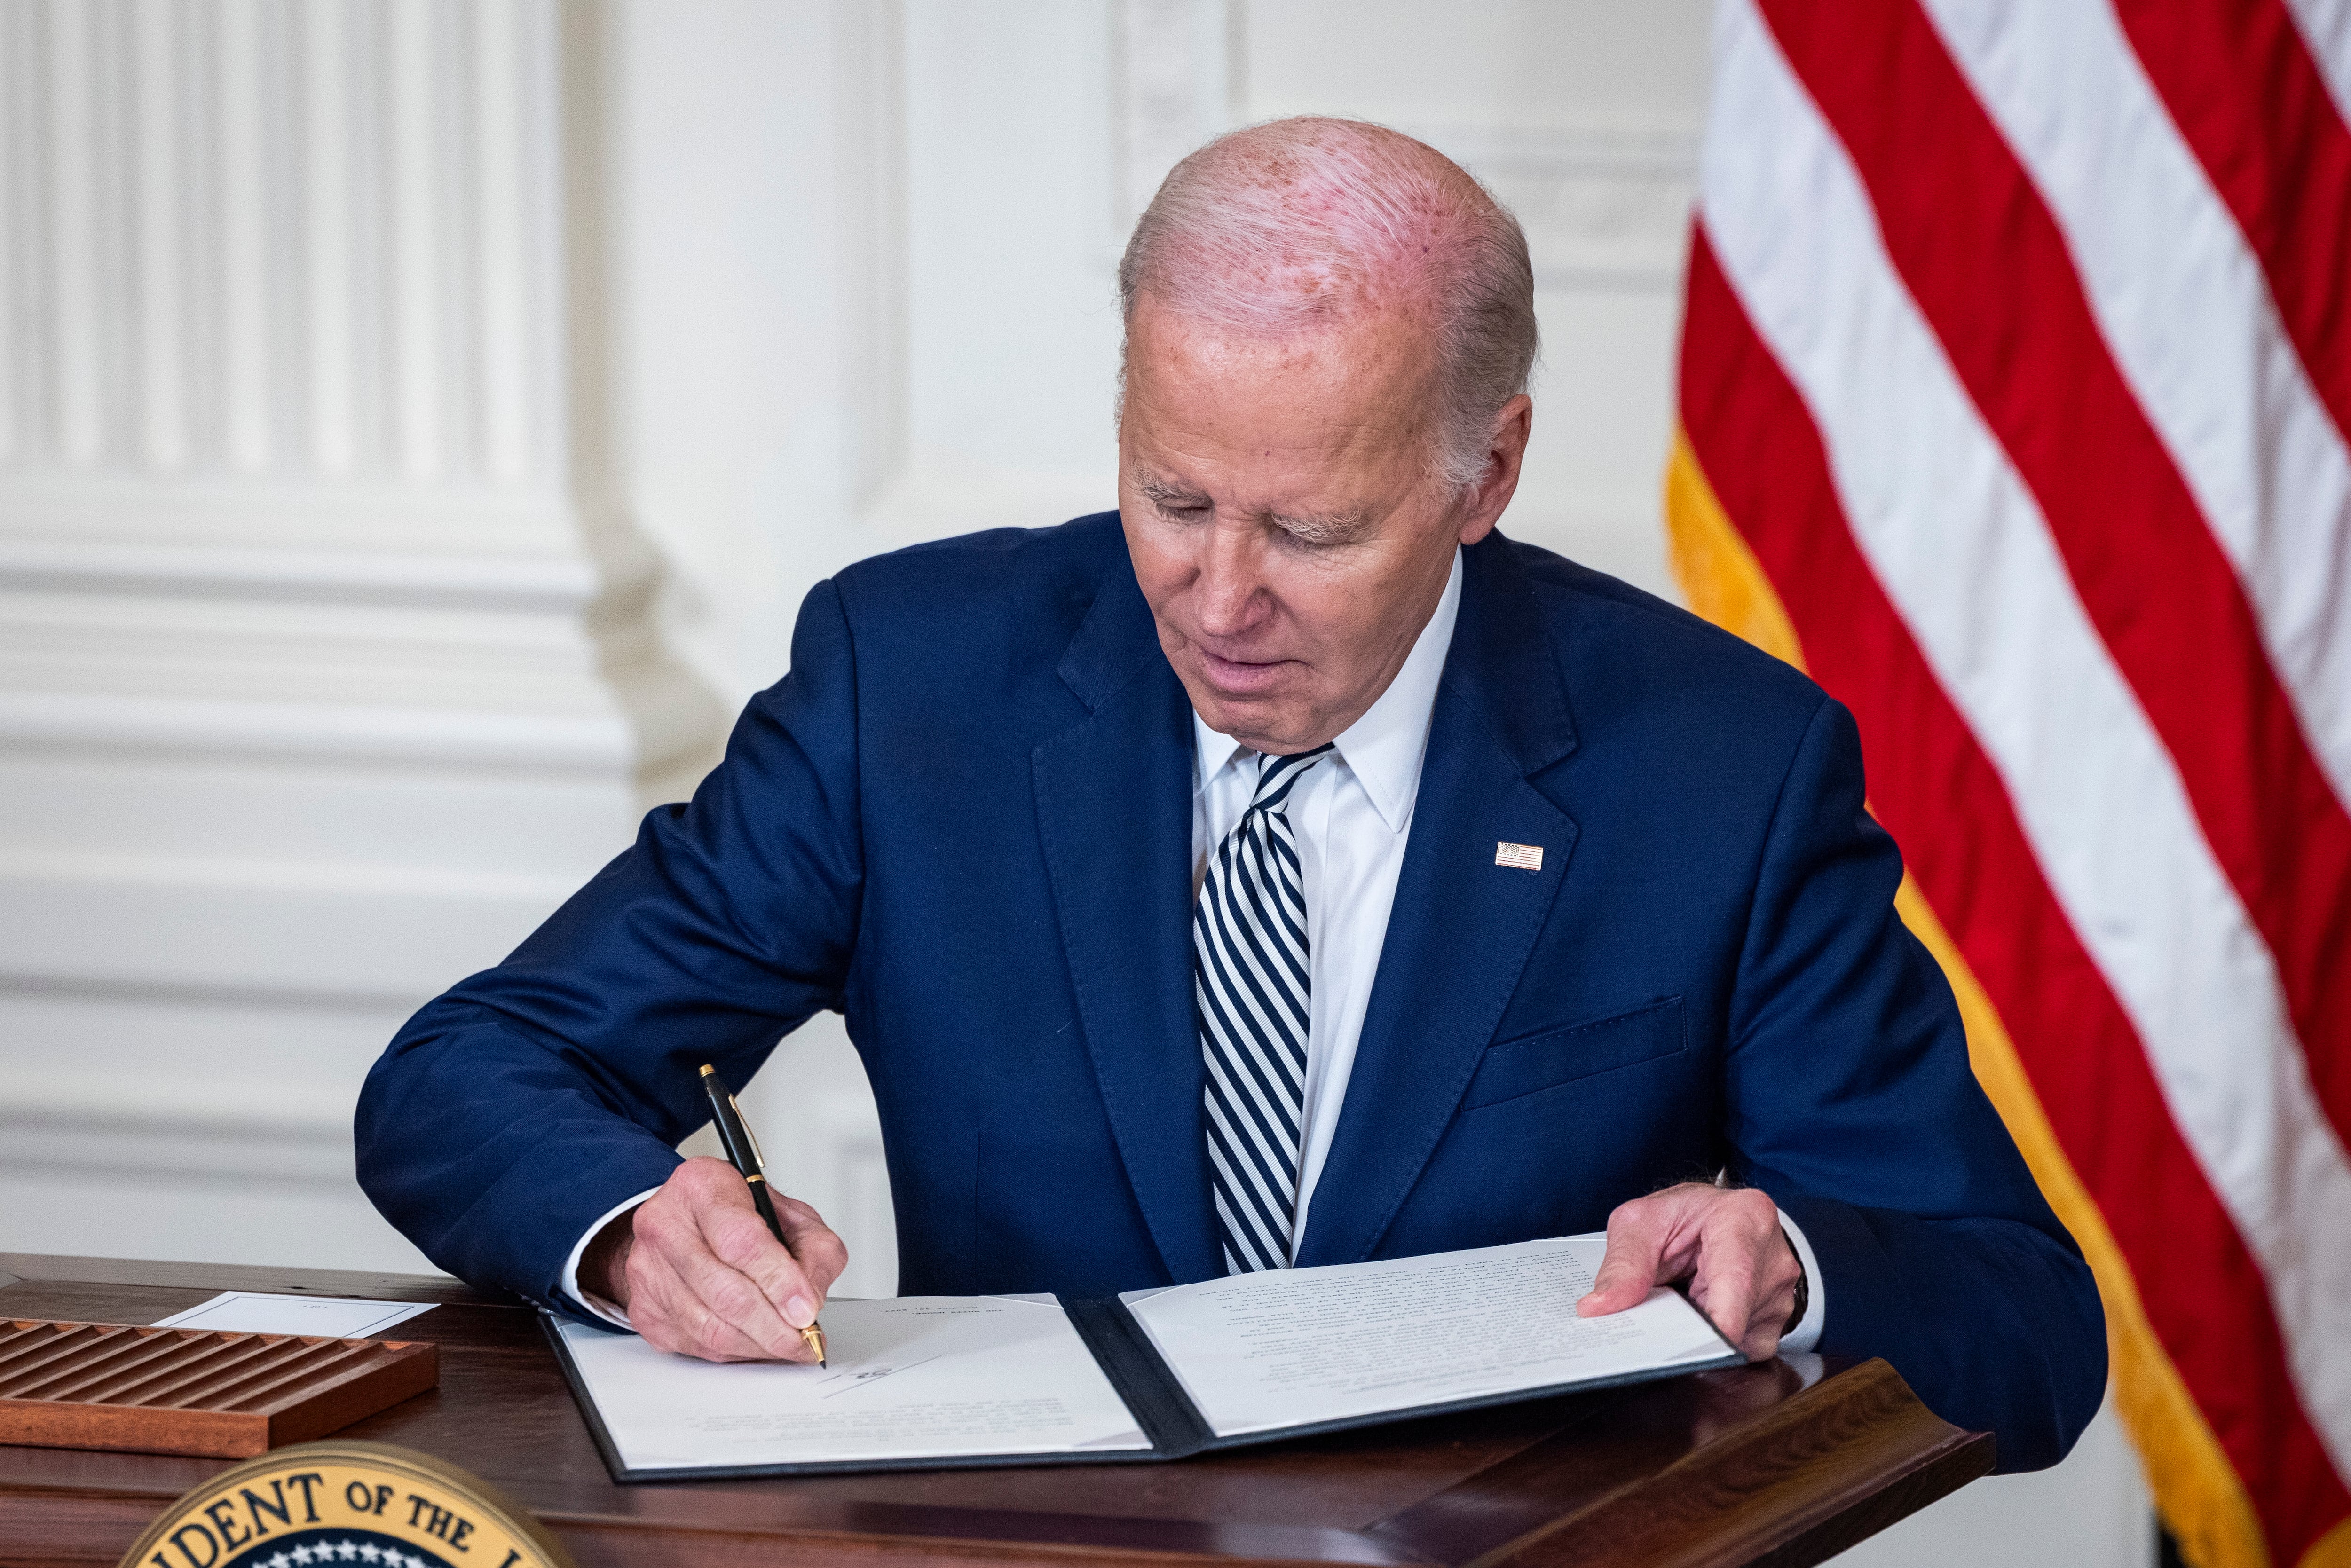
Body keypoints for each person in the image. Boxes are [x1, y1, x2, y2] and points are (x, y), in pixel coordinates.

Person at [356, 118, 2104, 1470]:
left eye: (1313, 531)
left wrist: (1792, 1261)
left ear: (1485, 468)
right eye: (1172, 496)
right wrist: (633, 1232)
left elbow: (2025, 1323)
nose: (1217, 596)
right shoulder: (918, 685)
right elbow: (467, 1073)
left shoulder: (1720, 763)